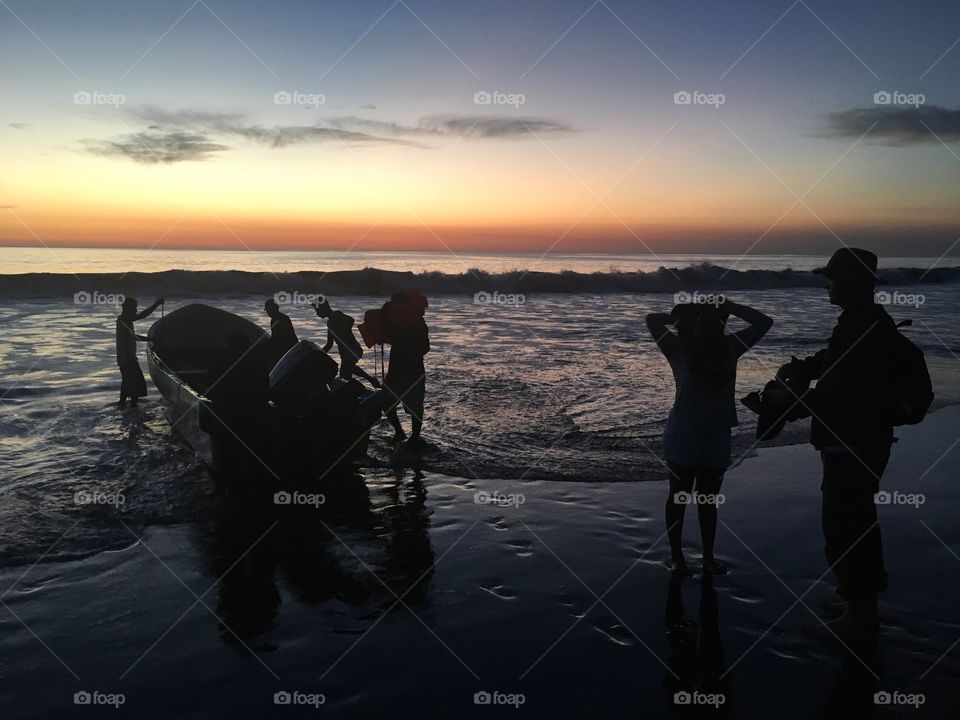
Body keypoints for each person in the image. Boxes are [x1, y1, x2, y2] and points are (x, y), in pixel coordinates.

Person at [775, 248, 913, 641]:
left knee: (846, 526)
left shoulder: (867, 328)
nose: (827, 284)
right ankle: (857, 600)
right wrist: (804, 368)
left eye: (833, 279)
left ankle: (861, 612)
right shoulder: (859, 322)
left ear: (855, 283)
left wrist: (794, 403)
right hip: (854, 441)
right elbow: (836, 364)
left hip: (854, 443)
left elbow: (851, 396)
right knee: (854, 521)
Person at [647, 298, 773, 577]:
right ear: (694, 323)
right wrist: (682, 314)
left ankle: (708, 556)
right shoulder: (678, 348)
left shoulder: (731, 347)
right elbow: (652, 320)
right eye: (702, 319)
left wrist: (729, 305)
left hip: (718, 433)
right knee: (679, 495)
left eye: (714, 319)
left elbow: (765, 322)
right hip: (684, 432)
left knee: (708, 499)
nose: (708, 324)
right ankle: (677, 557)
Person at [382, 291, 430, 445]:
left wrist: (407, 344)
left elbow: (424, 348)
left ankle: (412, 437)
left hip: (409, 370)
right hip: (404, 369)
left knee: (407, 405)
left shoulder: (417, 323)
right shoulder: (396, 321)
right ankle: (402, 433)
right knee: (389, 402)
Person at [313, 297, 380, 387]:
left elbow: (351, 320)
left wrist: (344, 330)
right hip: (346, 352)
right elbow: (329, 344)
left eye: (317, 310)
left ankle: (368, 383)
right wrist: (320, 354)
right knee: (345, 375)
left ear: (324, 308)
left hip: (353, 349)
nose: (317, 313)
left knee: (344, 376)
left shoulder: (336, 315)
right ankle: (369, 382)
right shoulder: (329, 323)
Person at [116, 296, 164, 407]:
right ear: (127, 308)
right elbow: (136, 335)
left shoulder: (124, 320)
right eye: (134, 307)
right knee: (134, 383)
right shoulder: (124, 320)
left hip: (126, 358)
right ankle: (129, 406)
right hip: (127, 359)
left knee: (128, 384)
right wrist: (156, 304)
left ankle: (126, 406)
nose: (136, 310)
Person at [264, 298, 298, 366]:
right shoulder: (277, 319)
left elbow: (279, 338)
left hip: (287, 347)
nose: (267, 313)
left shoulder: (280, 319)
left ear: (273, 309)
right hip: (286, 345)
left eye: (268, 310)